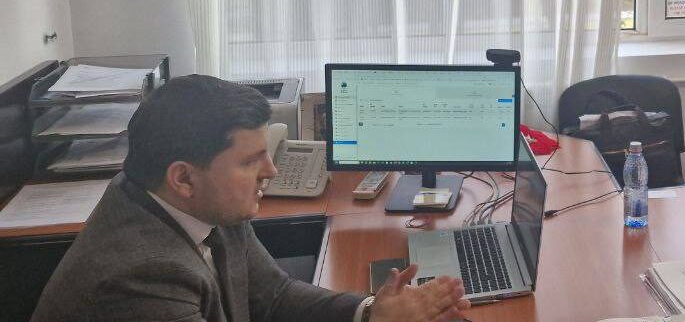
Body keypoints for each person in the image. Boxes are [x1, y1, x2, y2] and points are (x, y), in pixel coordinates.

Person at [32, 74, 470, 322]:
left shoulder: (203, 206)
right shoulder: (141, 277)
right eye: (250, 160)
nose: (271, 172)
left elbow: (273, 296)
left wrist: (372, 313)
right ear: (183, 178)